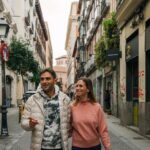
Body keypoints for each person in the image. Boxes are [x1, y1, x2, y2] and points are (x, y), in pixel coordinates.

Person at [21, 68, 71, 150]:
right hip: (40, 147)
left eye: (48, 78)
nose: (44, 81)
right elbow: (23, 123)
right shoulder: (32, 99)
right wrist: (30, 124)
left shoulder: (65, 99)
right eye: (42, 79)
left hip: (60, 147)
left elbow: (68, 123)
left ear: (55, 80)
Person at [70, 77, 110, 150]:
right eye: (77, 86)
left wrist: (107, 147)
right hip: (77, 147)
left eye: (81, 86)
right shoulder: (72, 107)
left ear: (88, 89)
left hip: (94, 147)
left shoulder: (97, 107)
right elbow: (67, 127)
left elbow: (103, 130)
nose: (78, 88)